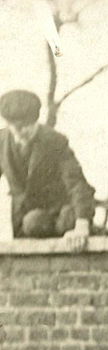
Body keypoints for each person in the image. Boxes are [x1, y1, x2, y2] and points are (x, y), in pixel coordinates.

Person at [0, 89, 93, 250]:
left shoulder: (55, 141)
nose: (23, 131)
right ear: (8, 124)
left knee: (64, 220)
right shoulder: (1, 142)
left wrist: (82, 224)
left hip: (60, 214)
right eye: (18, 127)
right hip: (25, 220)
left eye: (29, 125)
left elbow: (76, 183)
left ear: (36, 120)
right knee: (32, 222)